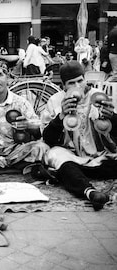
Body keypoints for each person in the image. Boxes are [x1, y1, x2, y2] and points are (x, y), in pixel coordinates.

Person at [42, 61, 117, 210]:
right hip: (72, 158)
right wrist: (61, 116)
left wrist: (112, 118)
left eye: (80, 80)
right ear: (64, 86)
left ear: (85, 79)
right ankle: (91, 193)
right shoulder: (55, 101)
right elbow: (48, 138)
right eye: (71, 83)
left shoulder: (99, 97)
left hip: (101, 157)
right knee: (56, 156)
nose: (77, 86)